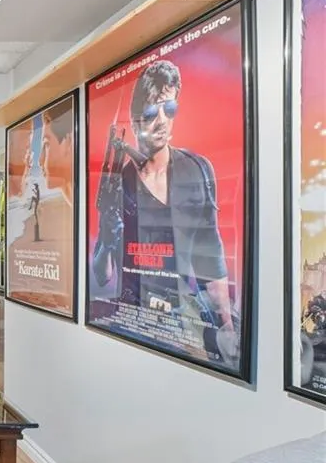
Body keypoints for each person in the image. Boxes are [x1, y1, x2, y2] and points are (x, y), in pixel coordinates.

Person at [91, 59, 237, 363]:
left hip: (184, 316)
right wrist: (106, 237)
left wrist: (226, 324)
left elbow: (210, 256)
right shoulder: (119, 183)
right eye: (150, 113)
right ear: (135, 121)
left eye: (169, 109)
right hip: (134, 314)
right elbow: (103, 275)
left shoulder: (197, 170)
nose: (161, 121)